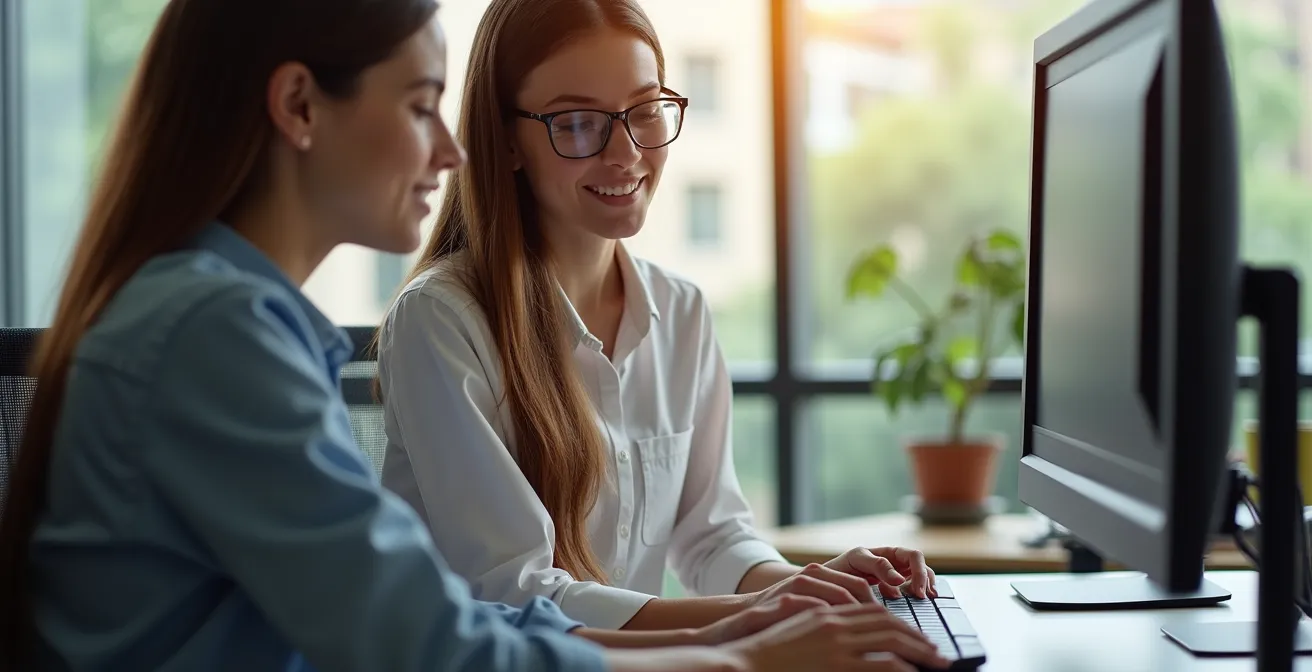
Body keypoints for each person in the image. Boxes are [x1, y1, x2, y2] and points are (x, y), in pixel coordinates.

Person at [0, 1, 950, 671]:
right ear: (297, 108)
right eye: (421, 107)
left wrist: (768, 616)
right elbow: (444, 640)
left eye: (645, 115)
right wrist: (742, 652)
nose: (447, 151)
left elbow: (441, 629)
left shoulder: (235, 324)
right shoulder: (221, 334)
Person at [377, 0, 939, 641]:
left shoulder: (682, 312)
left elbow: (713, 537)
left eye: (645, 112)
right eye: (579, 122)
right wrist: (769, 617)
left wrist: (814, 586)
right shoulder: (441, 321)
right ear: (506, 140)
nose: (626, 152)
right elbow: (514, 593)